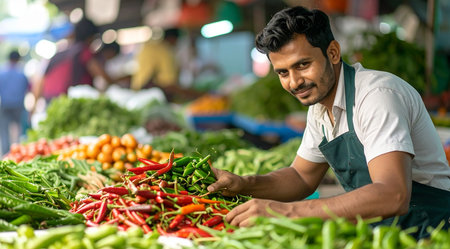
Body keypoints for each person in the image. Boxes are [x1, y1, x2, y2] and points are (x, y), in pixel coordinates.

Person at [207, 6, 450, 239]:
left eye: (302, 65)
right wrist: (243, 184)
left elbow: (393, 195)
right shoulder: (320, 108)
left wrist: (286, 212)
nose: (294, 82)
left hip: (432, 230)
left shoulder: (377, 96)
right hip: (386, 232)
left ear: (333, 52)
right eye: (283, 72)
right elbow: (301, 177)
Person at [33, 17, 118, 103]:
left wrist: (34, 106)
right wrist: (120, 80)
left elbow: (41, 81)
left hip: (50, 99)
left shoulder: (60, 53)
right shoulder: (84, 51)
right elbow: (102, 75)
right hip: (69, 100)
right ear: (91, 36)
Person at [131, 28, 202, 102]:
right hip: (155, 95)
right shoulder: (165, 51)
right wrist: (195, 95)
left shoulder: (147, 46)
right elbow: (168, 83)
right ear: (172, 39)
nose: (176, 44)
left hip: (138, 90)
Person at [0, 51, 30, 155]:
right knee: (20, 130)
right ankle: (18, 153)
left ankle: (5, 155)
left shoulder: (2, 72)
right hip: (19, 105)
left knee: (4, 131)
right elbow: (28, 88)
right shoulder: (22, 73)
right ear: (18, 59)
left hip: (5, 104)